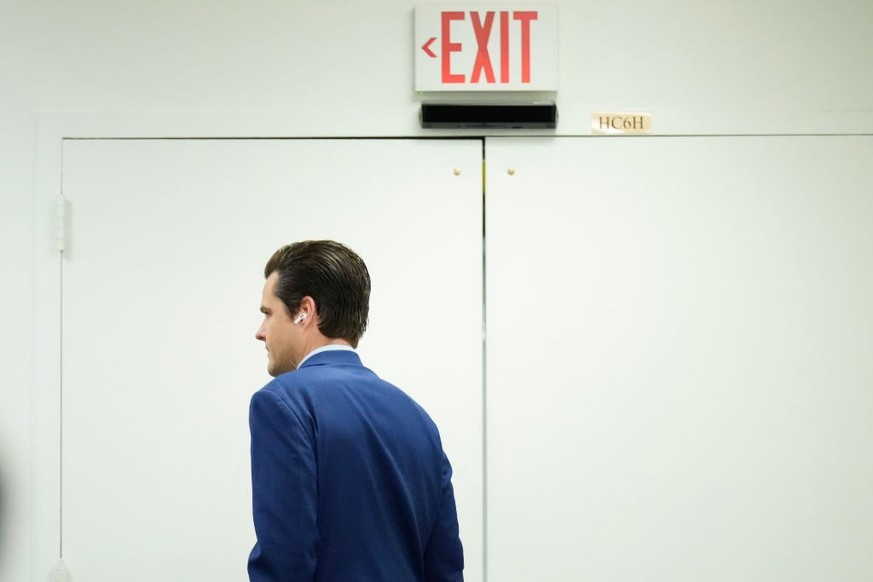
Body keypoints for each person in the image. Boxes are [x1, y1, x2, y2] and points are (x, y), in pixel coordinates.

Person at [248, 240, 464, 581]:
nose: (260, 332)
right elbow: (446, 568)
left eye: (267, 313)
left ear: (304, 310)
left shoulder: (282, 403)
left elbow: (285, 560)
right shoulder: (418, 419)